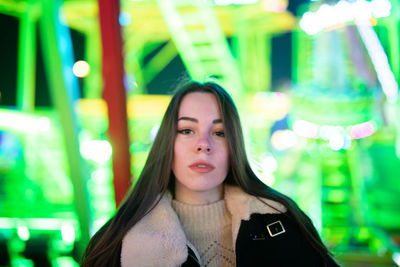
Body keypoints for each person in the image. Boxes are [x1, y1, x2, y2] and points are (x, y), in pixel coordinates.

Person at [81, 81, 339, 267]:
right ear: (167, 142)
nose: (203, 144)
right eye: (187, 130)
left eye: (219, 132)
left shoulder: (283, 223)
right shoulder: (115, 245)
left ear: (234, 145)